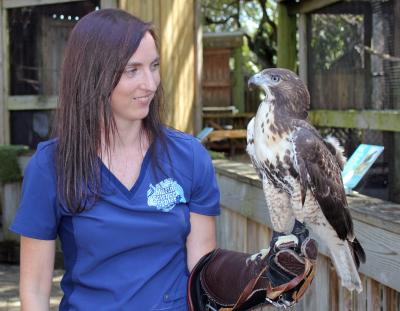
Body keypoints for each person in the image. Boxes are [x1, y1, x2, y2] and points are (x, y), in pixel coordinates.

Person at [10, 8, 317, 311]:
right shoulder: (51, 166)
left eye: (154, 66)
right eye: (133, 70)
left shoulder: (188, 157)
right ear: (94, 75)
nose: (150, 83)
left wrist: (252, 278)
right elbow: (35, 292)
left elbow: (203, 278)